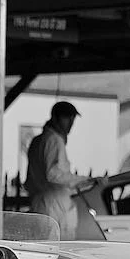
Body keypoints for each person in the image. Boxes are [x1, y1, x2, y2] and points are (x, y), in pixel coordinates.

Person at [25, 101, 89, 240]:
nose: (71, 123)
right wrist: (84, 180)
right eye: (67, 118)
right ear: (55, 118)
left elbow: (29, 181)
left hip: (40, 205)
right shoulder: (54, 140)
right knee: (59, 254)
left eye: (73, 118)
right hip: (55, 208)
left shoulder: (37, 141)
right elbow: (53, 174)